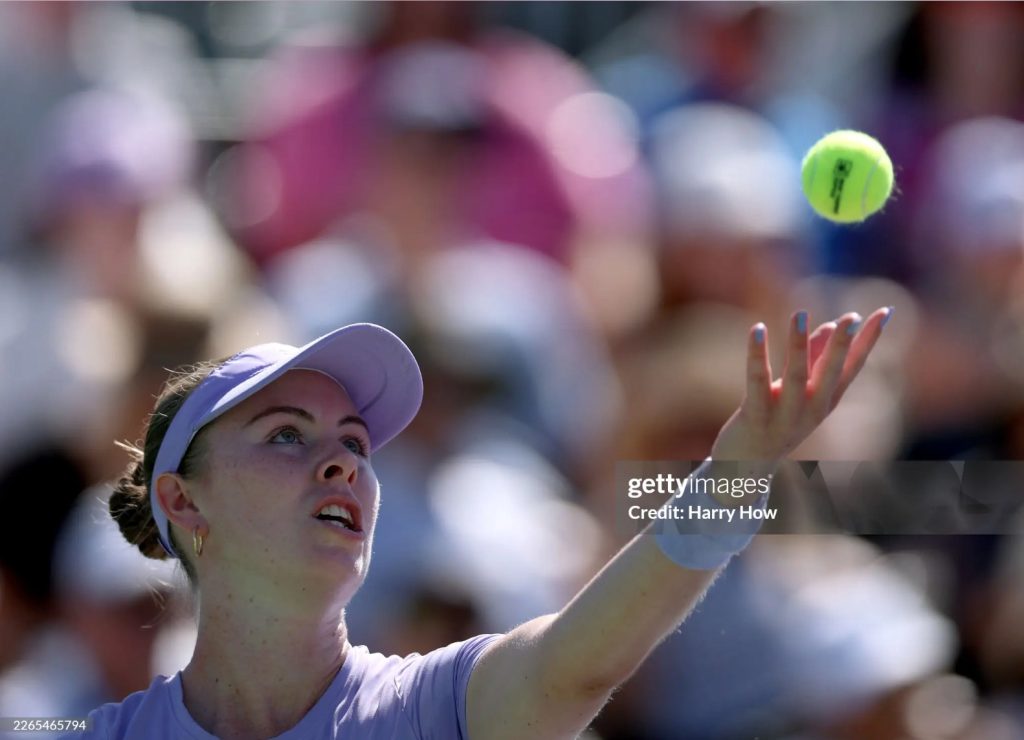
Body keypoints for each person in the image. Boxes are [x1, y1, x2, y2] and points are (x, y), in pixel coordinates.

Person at [62, 310, 890, 739]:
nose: (344, 461)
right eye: (286, 435)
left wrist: (734, 474)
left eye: (355, 442)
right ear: (182, 500)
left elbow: (582, 661)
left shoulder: (435, 711)